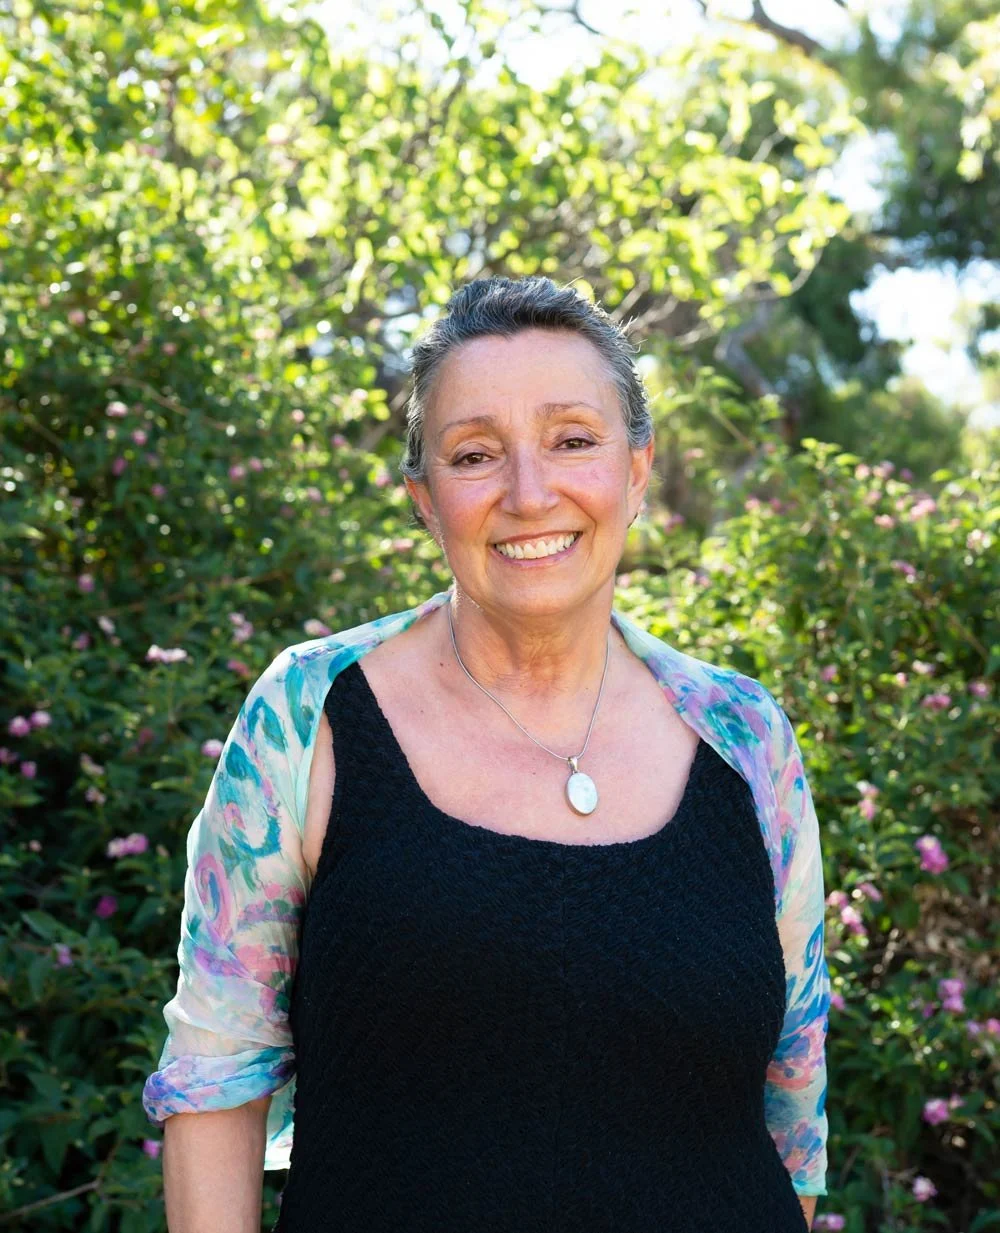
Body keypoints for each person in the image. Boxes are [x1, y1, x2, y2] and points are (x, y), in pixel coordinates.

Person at [143, 275, 830, 1232]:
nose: (529, 491)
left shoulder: (748, 739)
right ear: (426, 500)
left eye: (573, 439)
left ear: (637, 470)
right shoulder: (310, 717)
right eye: (475, 454)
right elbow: (216, 1082)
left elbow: (792, 1112)